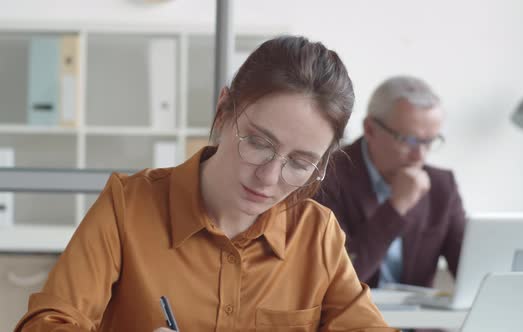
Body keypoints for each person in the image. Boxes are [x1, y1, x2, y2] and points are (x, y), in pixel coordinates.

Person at [14, 36, 397, 331]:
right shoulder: (127, 207)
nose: (269, 178)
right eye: (259, 143)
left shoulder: (316, 233)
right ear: (223, 110)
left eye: (301, 163)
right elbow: (47, 322)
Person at [314, 76, 466, 288]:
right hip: (348, 319)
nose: (419, 156)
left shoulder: (442, 186)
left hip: (416, 321)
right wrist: (396, 208)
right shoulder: (327, 177)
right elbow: (336, 280)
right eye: (409, 140)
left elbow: (469, 272)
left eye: (429, 142)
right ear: (370, 130)